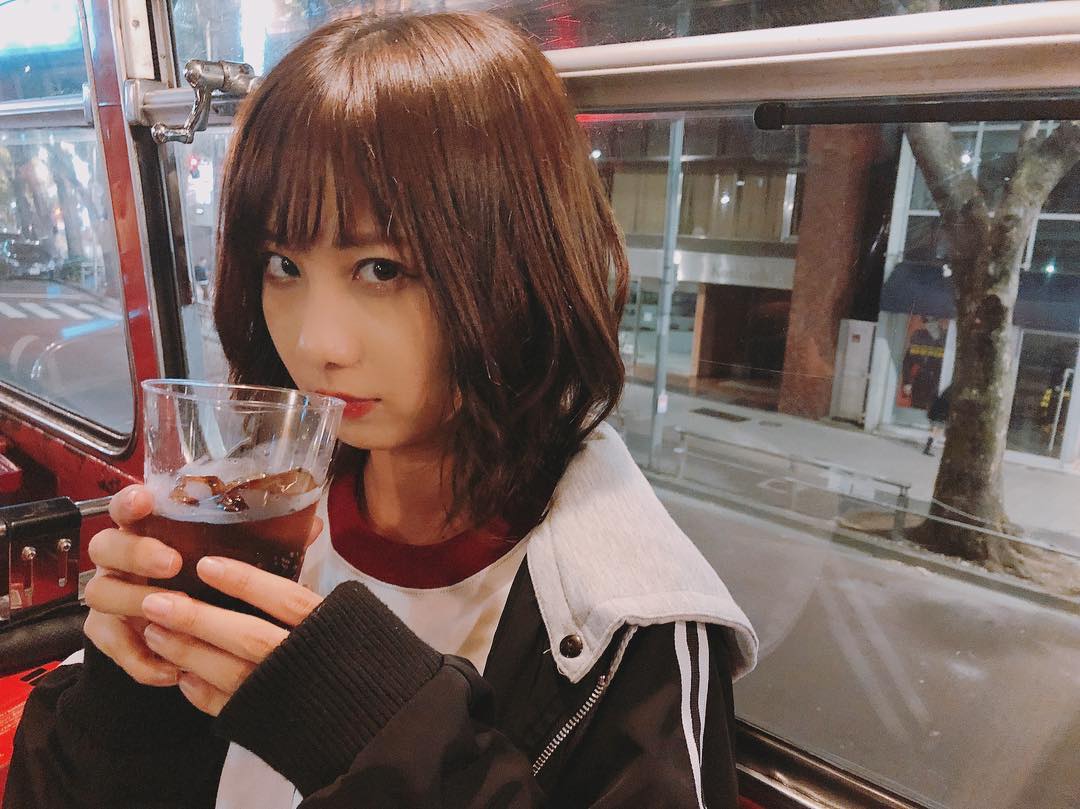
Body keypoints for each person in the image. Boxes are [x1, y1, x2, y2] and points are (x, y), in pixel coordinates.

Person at [5, 12, 756, 808]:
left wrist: (384, 739)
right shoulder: (258, 513)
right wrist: (127, 711)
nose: (317, 343)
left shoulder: (631, 626)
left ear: (520, 263)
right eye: (283, 264)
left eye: (381, 268)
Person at [924, 384, 952, 456]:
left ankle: (928, 447)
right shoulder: (949, 400)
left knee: (934, 431)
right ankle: (928, 448)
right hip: (941, 417)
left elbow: (934, 407)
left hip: (935, 416)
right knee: (937, 432)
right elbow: (947, 410)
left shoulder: (940, 398)